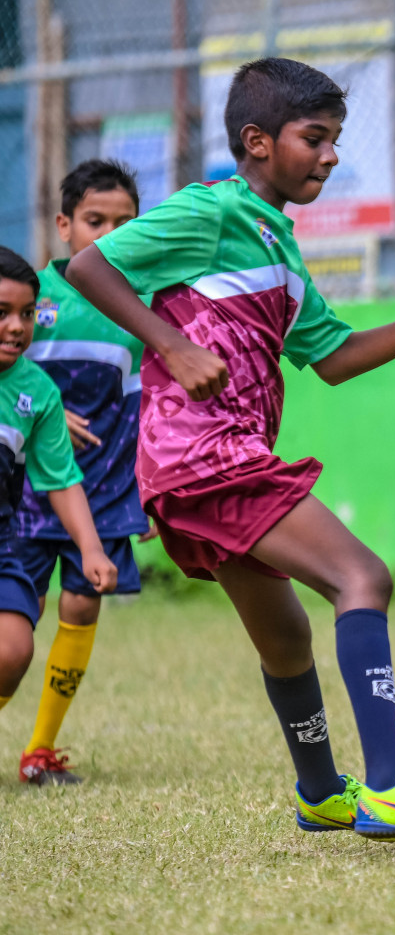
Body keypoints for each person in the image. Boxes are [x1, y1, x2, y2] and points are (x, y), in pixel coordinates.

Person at [66, 57, 395, 840]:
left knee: (286, 635)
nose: (331, 156)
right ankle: (394, 785)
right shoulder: (211, 212)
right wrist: (171, 345)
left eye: (336, 140)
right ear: (257, 141)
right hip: (204, 453)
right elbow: (89, 266)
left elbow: (333, 358)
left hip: (196, 464)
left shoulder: (281, 246)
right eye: (316, 138)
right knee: (362, 576)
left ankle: (319, 792)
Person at [6, 160, 146, 785]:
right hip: (30, 494)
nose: (109, 234)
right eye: (96, 221)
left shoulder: (144, 304)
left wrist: (149, 493)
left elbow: (146, 403)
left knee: (83, 608)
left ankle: (40, 750)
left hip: (108, 486)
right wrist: (54, 424)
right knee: (17, 623)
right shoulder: (30, 297)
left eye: (124, 223)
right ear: (65, 226)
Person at [0, 250, 119, 768]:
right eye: (2, 311)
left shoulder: (36, 392)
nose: (16, 326)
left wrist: (91, 548)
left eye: (26, 314)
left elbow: (61, 479)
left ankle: (39, 749)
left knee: (13, 651)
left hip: (4, 544)